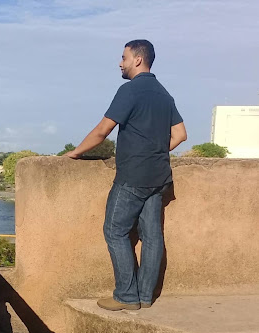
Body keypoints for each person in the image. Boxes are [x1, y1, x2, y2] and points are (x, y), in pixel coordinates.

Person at [65, 39, 187, 311]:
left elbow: (102, 131)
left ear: (137, 60)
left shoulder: (130, 90)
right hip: (159, 177)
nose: (120, 63)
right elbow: (180, 134)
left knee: (114, 230)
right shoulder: (164, 94)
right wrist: (155, 151)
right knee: (152, 236)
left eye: (123, 57)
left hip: (133, 176)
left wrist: (74, 153)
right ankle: (144, 296)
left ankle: (126, 296)